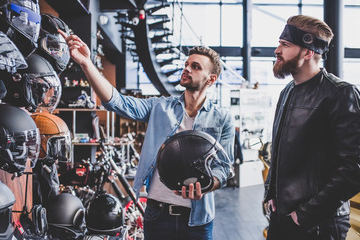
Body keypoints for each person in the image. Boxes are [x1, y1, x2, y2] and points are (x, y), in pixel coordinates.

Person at [59, 30, 234, 240]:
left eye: (196, 66)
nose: (186, 68)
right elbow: (117, 101)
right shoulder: (159, 106)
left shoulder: (222, 117)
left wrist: (207, 185)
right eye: (187, 63)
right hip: (157, 215)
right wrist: (86, 63)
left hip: (197, 219)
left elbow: (224, 167)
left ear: (211, 79)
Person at [263, 15, 360, 240]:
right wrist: (270, 195)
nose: (277, 50)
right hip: (281, 219)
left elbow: (358, 167)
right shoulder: (287, 92)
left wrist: (305, 214)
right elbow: (281, 153)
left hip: (318, 226)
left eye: (285, 45)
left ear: (307, 52)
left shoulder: (341, 93)